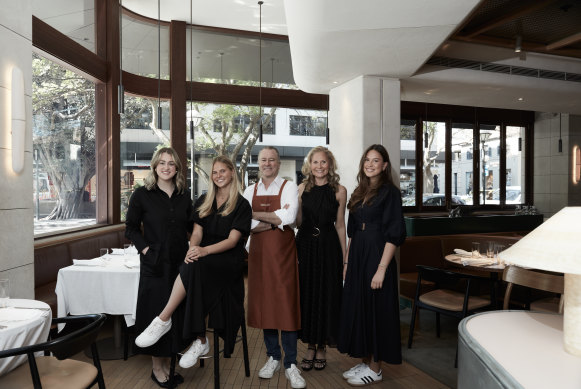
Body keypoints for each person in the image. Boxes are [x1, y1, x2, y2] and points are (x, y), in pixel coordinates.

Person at [134, 155, 251, 374]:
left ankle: (164, 319)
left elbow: (233, 241)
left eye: (223, 171)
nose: (218, 176)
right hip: (204, 258)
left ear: (232, 172)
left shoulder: (242, 204)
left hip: (227, 260)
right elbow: (196, 232)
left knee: (193, 268)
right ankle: (199, 339)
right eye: (215, 172)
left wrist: (203, 250)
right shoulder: (204, 200)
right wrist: (192, 249)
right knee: (192, 265)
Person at [337, 144, 406, 386]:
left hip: (378, 252)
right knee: (361, 308)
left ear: (384, 165)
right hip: (358, 254)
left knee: (378, 309)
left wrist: (382, 269)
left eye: (376, 160)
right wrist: (347, 262)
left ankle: (376, 368)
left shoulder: (391, 192)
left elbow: (394, 234)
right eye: (367, 160)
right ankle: (366, 361)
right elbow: (353, 230)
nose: (370, 164)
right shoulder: (360, 190)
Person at [125, 147, 192, 387]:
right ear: (155, 166)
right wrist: (145, 250)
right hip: (154, 264)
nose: (166, 167)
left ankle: (167, 362)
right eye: (162, 163)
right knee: (156, 314)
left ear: (177, 169)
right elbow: (130, 228)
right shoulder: (142, 194)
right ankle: (157, 367)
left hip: (179, 263)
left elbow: (193, 227)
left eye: (171, 164)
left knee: (173, 313)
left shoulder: (185, 195)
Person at [243, 146, 306, 389]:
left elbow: (289, 218)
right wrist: (273, 219)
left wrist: (257, 215)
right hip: (258, 256)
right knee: (265, 304)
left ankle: (291, 363)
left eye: (272, 160)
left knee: (286, 305)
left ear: (278, 164)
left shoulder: (288, 186)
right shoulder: (250, 190)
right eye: (263, 160)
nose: (267, 163)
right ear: (257, 163)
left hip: (283, 255)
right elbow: (244, 222)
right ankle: (274, 357)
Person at [295, 146, 346, 371]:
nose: (319, 167)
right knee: (308, 294)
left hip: (328, 246)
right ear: (309, 165)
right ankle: (310, 346)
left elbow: (341, 225)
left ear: (330, 165)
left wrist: (345, 259)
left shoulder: (340, 191)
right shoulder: (301, 188)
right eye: (315, 162)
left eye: (323, 162)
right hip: (305, 245)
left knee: (326, 295)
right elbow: (296, 222)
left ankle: (322, 346)